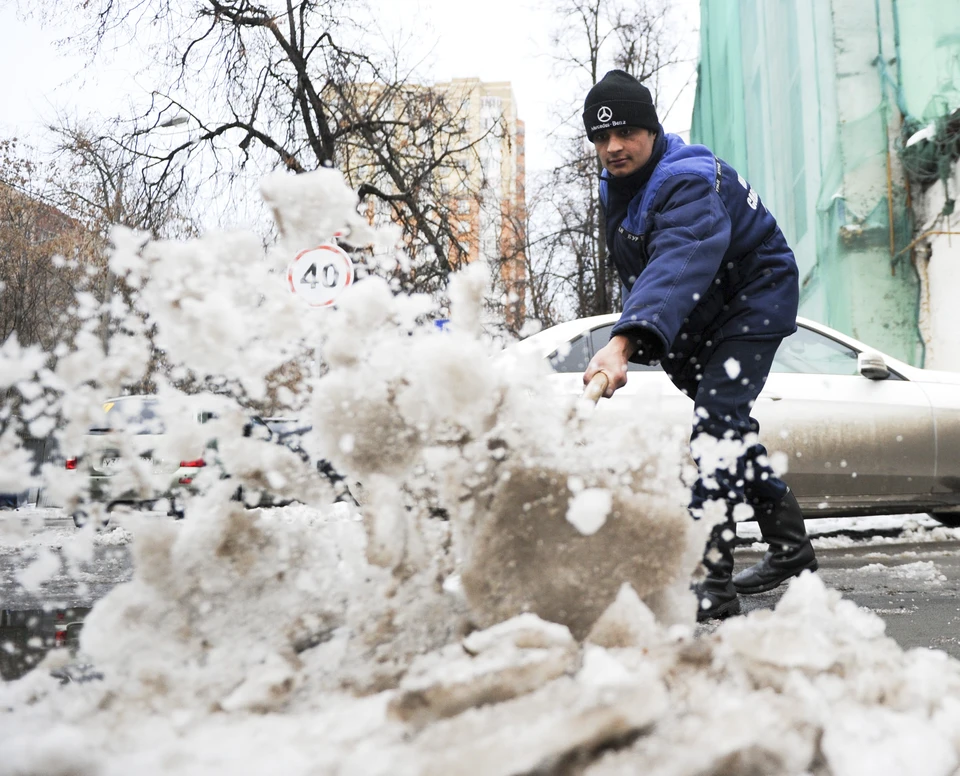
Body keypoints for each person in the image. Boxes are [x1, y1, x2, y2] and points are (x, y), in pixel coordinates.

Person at [580, 69, 818, 621]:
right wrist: (638, 333)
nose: (613, 147)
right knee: (728, 428)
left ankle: (710, 580)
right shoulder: (622, 187)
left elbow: (677, 261)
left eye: (627, 133)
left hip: (753, 296)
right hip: (706, 309)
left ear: (652, 129)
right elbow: (649, 270)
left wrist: (624, 340)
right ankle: (792, 550)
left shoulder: (685, 178)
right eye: (600, 137)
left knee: (715, 427)